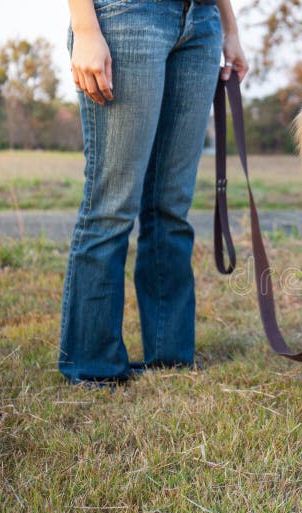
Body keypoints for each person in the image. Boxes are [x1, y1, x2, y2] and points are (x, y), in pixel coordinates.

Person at [60, 0, 248, 383]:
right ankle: (93, 367)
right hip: (128, 15)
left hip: (201, 22)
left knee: (171, 208)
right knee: (112, 206)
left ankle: (171, 358)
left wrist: (229, 27)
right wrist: (85, 28)